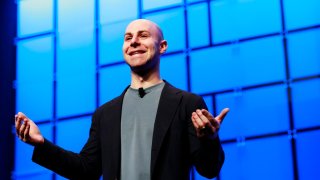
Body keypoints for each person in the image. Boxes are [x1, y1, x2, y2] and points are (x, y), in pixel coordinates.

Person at [15, 19, 229, 180]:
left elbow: (209, 170)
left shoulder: (188, 103)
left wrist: (208, 139)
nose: (134, 41)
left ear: (162, 46)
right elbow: (86, 170)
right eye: (128, 38)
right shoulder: (105, 114)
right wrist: (42, 144)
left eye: (143, 35)